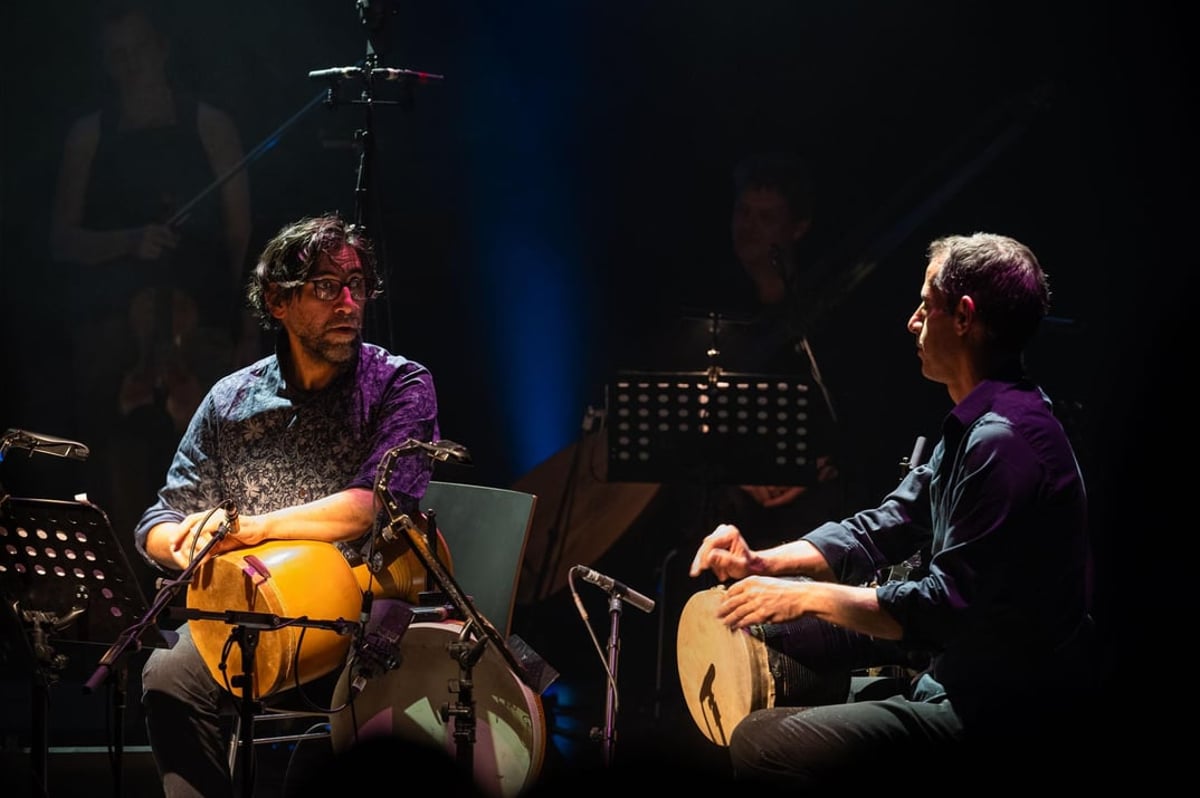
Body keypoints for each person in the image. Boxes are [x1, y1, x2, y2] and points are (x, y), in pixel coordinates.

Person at [688, 232, 1096, 788]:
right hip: (957, 682)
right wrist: (761, 563)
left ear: (964, 316)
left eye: (926, 305)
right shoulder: (980, 425)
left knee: (761, 742)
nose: (912, 321)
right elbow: (884, 526)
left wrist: (803, 597)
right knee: (794, 687)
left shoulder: (1005, 441)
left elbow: (939, 609)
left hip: (997, 710)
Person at [133, 213, 440, 798]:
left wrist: (252, 529)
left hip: (360, 613)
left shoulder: (399, 384)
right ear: (277, 300)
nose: (347, 303)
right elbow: (161, 517)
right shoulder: (231, 399)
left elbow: (373, 504)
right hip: (247, 609)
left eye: (356, 286)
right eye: (326, 287)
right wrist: (184, 542)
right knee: (167, 677)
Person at [48, 1, 254, 567]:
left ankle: (208, 578)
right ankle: (117, 583)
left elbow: (241, 234)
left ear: (162, 49)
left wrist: (246, 328)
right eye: (115, 54)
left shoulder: (209, 125)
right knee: (112, 465)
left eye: (136, 50)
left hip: (199, 323)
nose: (127, 64)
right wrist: (129, 240)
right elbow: (62, 239)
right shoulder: (90, 134)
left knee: (212, 463)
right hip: (116, 331)